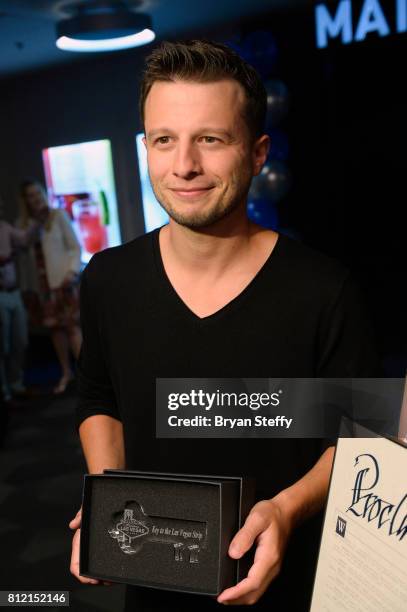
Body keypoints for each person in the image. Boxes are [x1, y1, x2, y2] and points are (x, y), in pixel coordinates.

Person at [70, 40, 379, 610]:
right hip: (155, 580)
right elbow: (100, 396)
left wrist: (286, 510)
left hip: (288, 585)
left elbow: (362, 439)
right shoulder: (109, 279)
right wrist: (107, 496)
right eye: (165, 140)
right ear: (146, 147)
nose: (184, 165)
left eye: (210, 139)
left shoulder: (324, 289)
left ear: (259, 153)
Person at [17, 180, 82, 394]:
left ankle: (86, 375)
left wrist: (71, 272)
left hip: (63, 282)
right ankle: (66, 373)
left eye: (38, 193)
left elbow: (74, 246)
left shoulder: (57, 216)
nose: (36, 198)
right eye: (31, 196)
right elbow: (23, 249)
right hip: (42, 286)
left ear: (44, 194)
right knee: (55, 329)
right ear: (25, 200)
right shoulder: (24, 225)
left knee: (72, 326)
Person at [0, 194, 41, 400]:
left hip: (13, 291)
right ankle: (5, 392)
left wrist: (36, 221)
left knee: (20, 340)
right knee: (2, 346)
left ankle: (15, 384)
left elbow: (24, 239)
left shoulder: (5, 227)